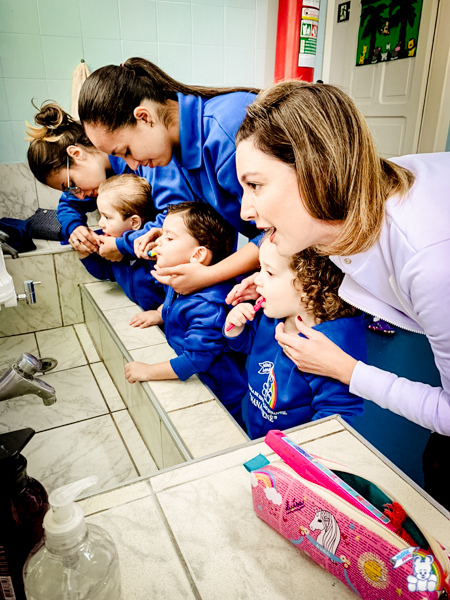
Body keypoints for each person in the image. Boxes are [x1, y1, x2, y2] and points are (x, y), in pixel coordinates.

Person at [230, 80, 450, 505]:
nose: (244, 209)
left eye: (255, 185)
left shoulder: (430, 263)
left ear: (320, 170)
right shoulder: (351, 202)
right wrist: (266, 277)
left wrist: (348, 371)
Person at [77, 57, 262, 291]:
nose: (133, 166)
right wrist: (170, 234)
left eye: (126, 151)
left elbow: (283, 235)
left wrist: (209, 275)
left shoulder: (227, 132)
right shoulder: (179, 152)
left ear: (144, 117)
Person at [224, 235, 366, 439]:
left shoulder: (332, 345)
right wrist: (236, 331)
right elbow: (252, 347)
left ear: (308, 283)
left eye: (270, 272)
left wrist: (298, 453)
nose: (256, 280)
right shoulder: (272, 315)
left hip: (296, 457)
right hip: (259, 436)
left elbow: (337, 413)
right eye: (260, 269)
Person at [124, 202, 247, 420]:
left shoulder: (208, 306)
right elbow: (175, 306)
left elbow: (195, 360)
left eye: (169, 238)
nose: (158, 242)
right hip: (201, 381)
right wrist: (160, 314)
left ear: (197, 255)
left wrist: (148, 371)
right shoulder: (183, 283)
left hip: (221, 395)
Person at [26, 102, 196, 256]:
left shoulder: (148, 160)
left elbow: (176, 216)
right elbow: (68, 204)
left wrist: (121, 245)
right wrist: (75, 227)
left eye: (72, 185)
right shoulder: (93, 183)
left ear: (77, 154)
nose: (78, 195)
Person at [75, 174, 165, 313]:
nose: (100, 223)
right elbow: (105, 271)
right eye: (100, 216)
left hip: (166, 320)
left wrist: (160, 313)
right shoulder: (116, 248)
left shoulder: (153, 253)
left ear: (134, 222)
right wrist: (84, 253)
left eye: (107, 217)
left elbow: (176, 291)